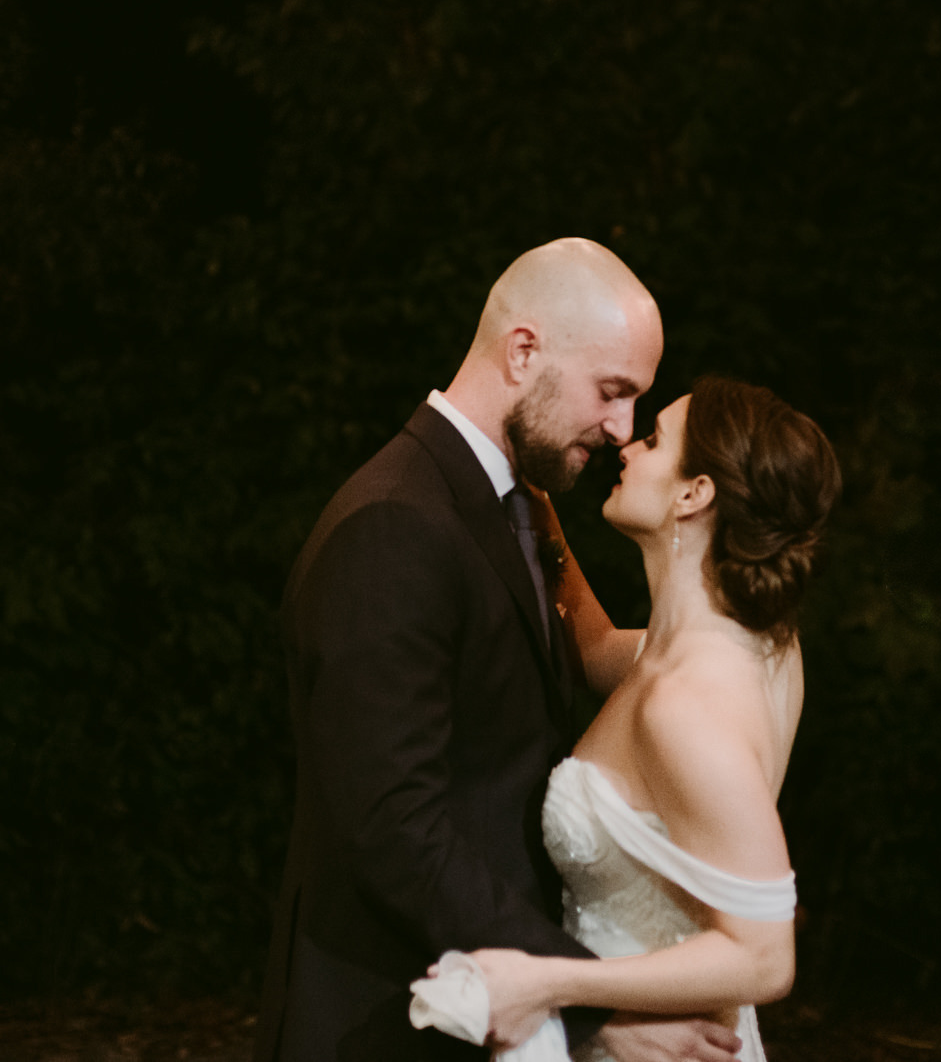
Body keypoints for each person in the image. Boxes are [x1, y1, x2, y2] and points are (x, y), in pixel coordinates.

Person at [256, 239, 743, 1062]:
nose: (623, 427)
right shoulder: (394, 525)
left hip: (485, 1014)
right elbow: (395, 829)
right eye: (612, 391)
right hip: (382, 1022)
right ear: (524, 351)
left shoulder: (514, 508)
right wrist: (594, 1005)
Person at [440, 375, 842, 1062]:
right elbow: (597, 651)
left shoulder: (686, 706)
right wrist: (533, 506)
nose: (626, 444)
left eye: (655, 439)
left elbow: (768, 958)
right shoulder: (756, 643)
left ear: (695, 493)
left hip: (661, 1044)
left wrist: (551, 983)